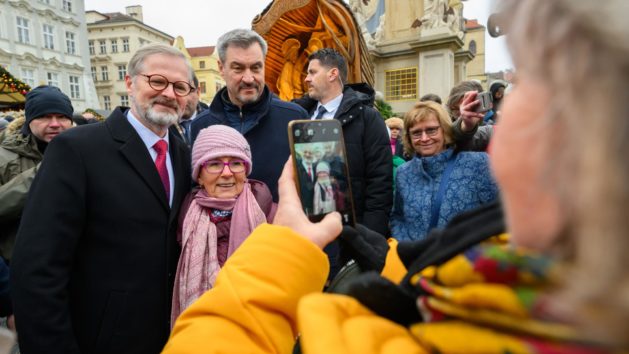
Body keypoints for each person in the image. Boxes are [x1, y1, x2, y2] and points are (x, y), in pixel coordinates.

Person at [161, 1, 629, 350]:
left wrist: (288, 246)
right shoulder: (500, 271)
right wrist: (396, 263)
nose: (498, 104)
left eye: (525, 77)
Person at [10, 43, 193, 354]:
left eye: (180, 86)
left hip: (169, 338)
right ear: (129, 82)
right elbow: (37, 266)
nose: (169, 93)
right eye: (157, 81)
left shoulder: (183, 154)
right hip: (96, 340)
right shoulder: (77, 149)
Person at [172, 125, 275, 325]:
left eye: (236, 163)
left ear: (246, 171)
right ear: (199, 175)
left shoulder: (272, 217)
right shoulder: (185, 219)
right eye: (214, 164)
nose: (227, 173)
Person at [189, 29, 309, 201]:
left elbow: (310, 184)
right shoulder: (201, 125)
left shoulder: (295, 117)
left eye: (256, 67)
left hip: (281, 226)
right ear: (221, 68)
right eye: (238, 68)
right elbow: (196, 187)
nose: (248, 78)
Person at [295, 48, 392, 236]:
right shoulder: (299, 116)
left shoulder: (368, 118)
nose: (307, 79)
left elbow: (380, 183)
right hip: (304, 231)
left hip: (350, 232)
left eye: (312, 72)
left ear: (333, 74)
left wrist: (369, 237)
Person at [390, 101, 498, 241]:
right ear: (408, 138)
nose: (424, 138)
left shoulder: (478, 164)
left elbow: (499, 214)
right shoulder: (403, 173)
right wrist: (407, 246)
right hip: (418, 260)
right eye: (416, 133)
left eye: (431, 130)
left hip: (466, 259)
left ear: (444, 130)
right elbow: (398, 217)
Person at [0, 85, 74, 263]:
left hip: (76, 265)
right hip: (20, 264)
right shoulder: (4, 157)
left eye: (62, 116)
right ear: (29, 120)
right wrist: (44, 171)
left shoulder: (87, 152)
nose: (55, 124)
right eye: (44, 116)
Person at [172, 74, 207, 146]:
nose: (183, 98)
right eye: (179, 89)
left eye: (189, 91)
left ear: (198, 92)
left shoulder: (214, 121)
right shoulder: (163, 125)